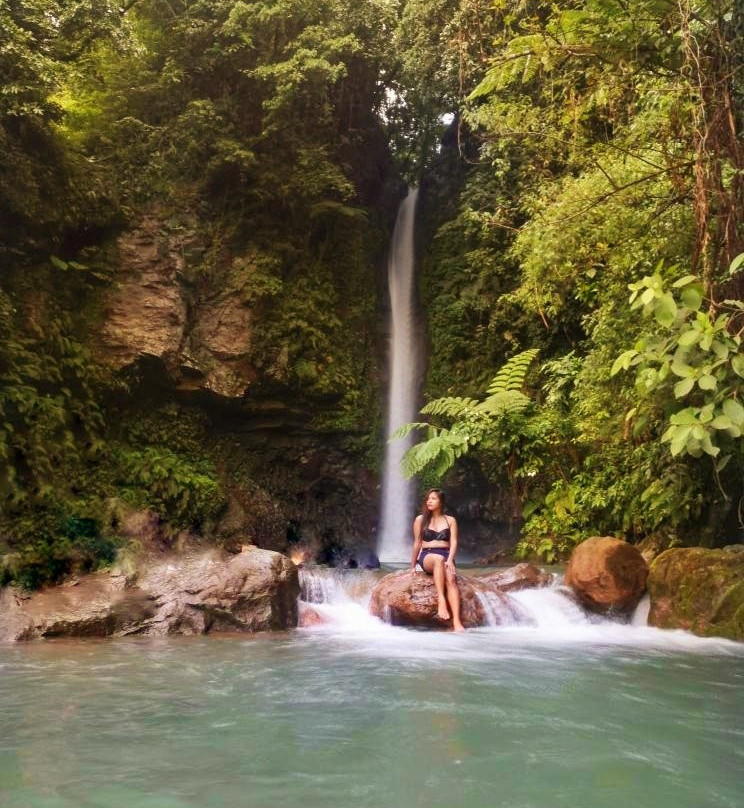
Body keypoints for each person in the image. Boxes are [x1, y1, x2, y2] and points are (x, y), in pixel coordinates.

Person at [410, 488, 465, 631]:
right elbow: (417, 543)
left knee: (451, 580)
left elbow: (454, 542)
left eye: (433, 499)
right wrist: (413, 565)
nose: (429, 501)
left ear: (441, 502)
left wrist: (450, 560)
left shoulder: (450, 520)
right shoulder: (420, 520)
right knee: (438, 559)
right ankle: (441, 599)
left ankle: (457, 621)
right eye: (428, 499)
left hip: (446, 555)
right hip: (427, 555)